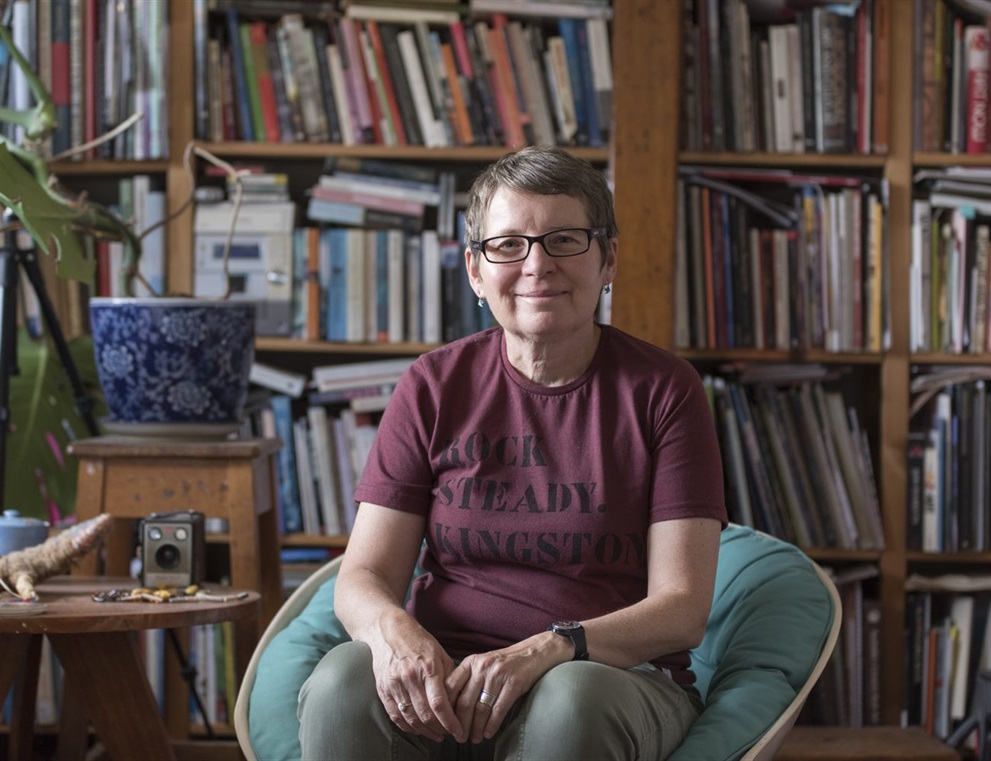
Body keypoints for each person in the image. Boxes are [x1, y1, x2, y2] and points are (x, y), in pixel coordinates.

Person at [298, 145, 727, 760]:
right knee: (342, 681)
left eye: (565, 240)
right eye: (508, 245)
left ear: (608, 259)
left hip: (607, 679)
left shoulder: (664, 391)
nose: (538, 265)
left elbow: (682, 610)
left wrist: (548, 649)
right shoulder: (434, 385)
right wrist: (396, 634)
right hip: (449, 681)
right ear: (475, 270)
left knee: (569, 700)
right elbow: (362, 578)